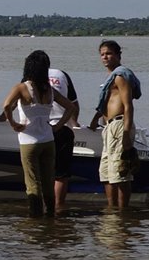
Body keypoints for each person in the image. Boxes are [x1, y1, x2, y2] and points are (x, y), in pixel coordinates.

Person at [2, 50, 75, 217]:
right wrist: (58, 126)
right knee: (48, 181)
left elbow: (6, 105)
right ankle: (50, 215)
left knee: (32, 183)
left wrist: (13, 123)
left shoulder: (21, 87)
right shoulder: (49, 90)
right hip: (48, 141)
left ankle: (35, 219)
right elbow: (70, 107)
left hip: (29, 141)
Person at [89, 40, 142, 209]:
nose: (105, 57)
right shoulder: (111, 77)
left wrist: (126, 134)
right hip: (109, 128)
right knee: (106, 173)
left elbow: (128, 106)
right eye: (102, 54)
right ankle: (112, 211)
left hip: (119, 126)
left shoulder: (120, 76)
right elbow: (108, 101)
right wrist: (95, 118)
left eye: (109, 53)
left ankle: (122, 213)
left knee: (120, 173)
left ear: (118, 55)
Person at [46, 58, 80, 209]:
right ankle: (58, 208)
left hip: (40, 131)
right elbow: (73, 104)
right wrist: (73, 124)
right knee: (61, 175)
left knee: (42, 172)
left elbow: (16, 103)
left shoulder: (30, 77)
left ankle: (43, 207)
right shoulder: (62, 74)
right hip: (62, 130)